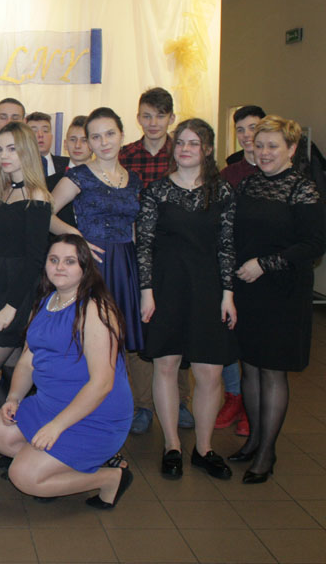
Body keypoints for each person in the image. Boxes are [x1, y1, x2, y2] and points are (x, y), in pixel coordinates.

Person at [0, 234, 133, 508]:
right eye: (54, 260)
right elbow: (28, 360)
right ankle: (54, 469)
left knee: (23, 476)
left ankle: (110, 478)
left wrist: (57, 426)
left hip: (94, 414)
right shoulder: (47, 301)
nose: (59, 267)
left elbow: (102, 384)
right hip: (50, 404)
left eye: (69, 261)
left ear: (85, 267)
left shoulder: (96, 310)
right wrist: (13, 398)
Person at [136, 119, 237, 481]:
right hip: (166, 287)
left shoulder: (222, 191)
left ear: (207, 149)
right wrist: (146, 292)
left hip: (209, 288)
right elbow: (145, 245)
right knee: (166, 365)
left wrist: (228, 294)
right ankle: (172, 446)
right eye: (180, 143)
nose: (185, 149)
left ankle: (204, 449)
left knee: (210, 372)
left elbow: (227, 245)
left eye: (194, 143)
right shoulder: (157, 191)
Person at [229, 115, 326, 483]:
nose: (265, 152)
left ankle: (266, 453)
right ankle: (254, 440)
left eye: (273, 146)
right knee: (250, 367)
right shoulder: (248, 185)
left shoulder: (303, 190)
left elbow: (314, 244)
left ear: (291, 149)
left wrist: (265, 264)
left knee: (272, 370)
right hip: (248, 289)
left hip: (283, 291)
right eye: (259, 145)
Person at [50, 108, 144, 433]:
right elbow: (45, 213)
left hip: (126, 266)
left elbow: (133, 228)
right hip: (94, 267)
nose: (104, 142)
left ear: (122, 136)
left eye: (110, 134)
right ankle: (83, 419)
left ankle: (114, 419)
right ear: (88, 142)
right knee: (91, 344)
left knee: (118, 346)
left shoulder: (133, 179)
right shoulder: (79, 176)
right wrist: (78, 239)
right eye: (96, 136)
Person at [0, 122, 52, 469]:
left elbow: (34, 260)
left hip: (14, 294)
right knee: (12, 371)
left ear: (27, 152)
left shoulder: (37, 196)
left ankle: (20, 444)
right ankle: (25, 443)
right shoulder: (6, 190)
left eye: (12, 149)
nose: (4, 156)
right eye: (0, 149)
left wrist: (11, 307)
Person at [118, 87, 192, 435]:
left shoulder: (183, 153)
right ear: (138, 118)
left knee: (176, 325)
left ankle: (181, 401)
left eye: (160, 116)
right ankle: (143, 404)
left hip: (175, 254)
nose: (153, 123)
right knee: (140, 328)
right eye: (147, 116)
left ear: (171, 118)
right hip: (136, 253)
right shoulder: (125, 155)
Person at [215, 104, 266, 437]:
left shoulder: (277, 170)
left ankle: (252, 404)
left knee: (257, 338)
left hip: (265, 269)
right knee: (228, 334)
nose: (247, 135)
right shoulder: (229, 174)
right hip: (231, 266)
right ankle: (233, 397)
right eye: (241, 130)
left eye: (254, 128)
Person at [55, 115, 89, 229]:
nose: (77, 145)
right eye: (73, 139)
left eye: (84, 140)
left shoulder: (104, 180)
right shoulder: (49, 182)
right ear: (65, 144)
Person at [26, 111, 70, 183]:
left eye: (45, 131)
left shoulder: (68, 164)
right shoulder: (18, 166)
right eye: (34, 131)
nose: (40, 135)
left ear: (51, 136)